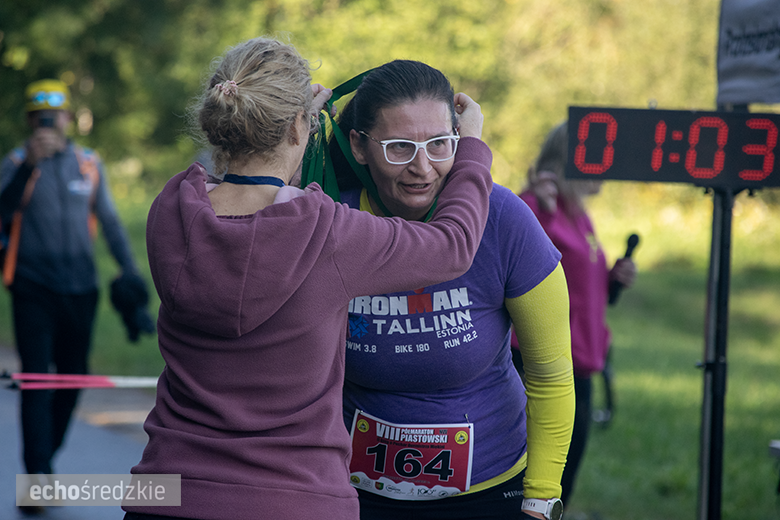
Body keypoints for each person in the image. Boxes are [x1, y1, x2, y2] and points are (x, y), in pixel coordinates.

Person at [121, 38, 493, 520]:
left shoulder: (171, 212)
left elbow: (251, 215)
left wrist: (296, 132)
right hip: (294, 500)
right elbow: (454, 244)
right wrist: (472, 149)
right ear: (299, 125)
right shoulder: (329, 234)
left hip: (169, 495)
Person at [328, 60, 574, 520]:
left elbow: (551, 373)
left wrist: (541, 500)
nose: (422, 168)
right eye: (400, 148)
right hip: (352, 493)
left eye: (440, 144)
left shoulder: (504, 219)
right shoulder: (331, 218)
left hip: (488, 491)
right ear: (359, 146)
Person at [0, 79, 143, 507]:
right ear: (29, 120)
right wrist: (29, 166)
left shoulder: (88, 164)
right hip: (32, 287)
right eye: (40, 116)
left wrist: (131, 273)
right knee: (37, 379)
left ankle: (47, 460)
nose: (49, 122)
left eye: (56, 114)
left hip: (81, 289)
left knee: (74, 376)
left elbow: (112, 223)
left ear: (67, 117)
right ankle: (38, 476)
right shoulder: (15, 162)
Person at [514, 121, 637, 505]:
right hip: (535, 366)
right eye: (599, 156)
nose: (607, 165)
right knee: (533, 487)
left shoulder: (579, 214)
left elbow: (578, 282)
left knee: (564, 484)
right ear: (573, 158)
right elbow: (521, 266)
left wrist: (613, 279)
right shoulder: (532, 205)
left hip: (579, 364)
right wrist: (545, 214)